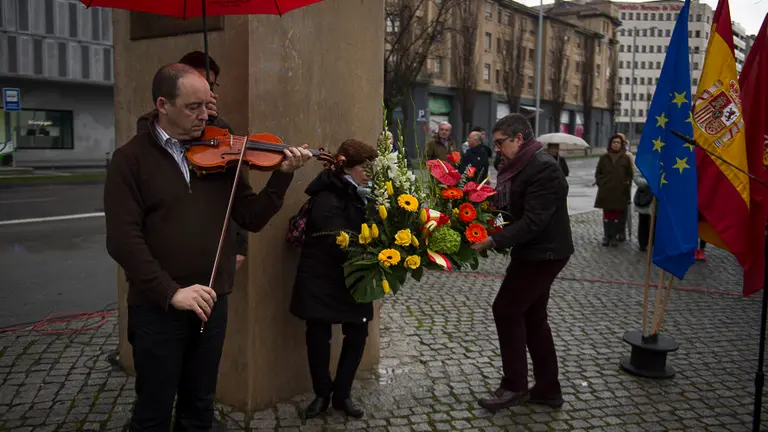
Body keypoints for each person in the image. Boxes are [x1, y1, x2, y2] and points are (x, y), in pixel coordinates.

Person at [104, 63, 313, 431]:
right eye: (193, 107)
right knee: (153, 410)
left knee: (199, 406)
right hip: (157, 307)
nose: (206, 115)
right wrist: (171, 292)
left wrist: (282, 177)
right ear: (163, 105)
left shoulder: (220, 152)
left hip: (211, 303)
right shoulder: (130, 159)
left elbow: (250, 216)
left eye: (207, 105)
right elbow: (123, 240)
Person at [471, 114, 574, 412]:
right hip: (535, 251)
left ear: (519, 139)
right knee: (533, 318)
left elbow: (533, 221)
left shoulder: (544, 168)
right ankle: (547, 389)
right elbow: (509, 206)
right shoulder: (520, 166)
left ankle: (513, 385)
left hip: (544, 254)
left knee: (506, 309)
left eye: (501, 143)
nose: (498, 149)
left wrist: (492, 241)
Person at [290, 139, 378, 419]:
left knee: (357, 332)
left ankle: (342, 395)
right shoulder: (328, 195)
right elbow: (335, 239)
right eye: (364, 167)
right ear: (347, 167)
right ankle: (321, 394)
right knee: (318, 336)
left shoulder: (365, 194)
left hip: (354, 275)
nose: (369, 172)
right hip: (322, 276)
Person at [136, 51, 248, 270]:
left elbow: (236, 192)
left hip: (211, 260)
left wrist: (239, 244)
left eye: (210, 87)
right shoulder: (148, 134)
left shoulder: (220, 130)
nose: (204, 90)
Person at [594, 134, 633, 247]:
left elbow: (629, 175)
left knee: (616, 215)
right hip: (606, 191)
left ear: (621, 145)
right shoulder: (604, 157)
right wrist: (601, 183)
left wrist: (626, 184)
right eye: (614, 142)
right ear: (610, 144)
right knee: (607, 215)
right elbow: (598, 173)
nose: (616, 144)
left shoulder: (625, 158)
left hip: (619, 191)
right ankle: (607, 236)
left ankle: (614, 236)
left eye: (618, 143)